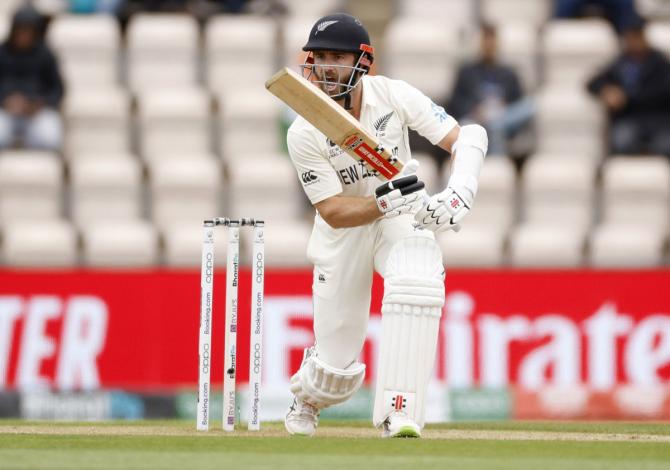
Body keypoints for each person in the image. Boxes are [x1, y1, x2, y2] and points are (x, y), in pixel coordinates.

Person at [283, 13, 488, 438]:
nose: (324, 66)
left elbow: (467, 136)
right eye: (318, 56)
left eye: (336, 56)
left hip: (398, 218)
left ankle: (400, 410)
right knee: (334, 368)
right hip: (345, 233)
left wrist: (458, 195)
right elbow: (332, 211)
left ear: (364, 62)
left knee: (418, 276)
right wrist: (381, 201)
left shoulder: (391, 95)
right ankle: (307, 395)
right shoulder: (304, 130)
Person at [587, 17, 670, 156]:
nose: (634, 41)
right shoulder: (621, 62)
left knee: (665, 145)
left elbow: (662, 91)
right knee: (622, 142)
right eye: (630, 36)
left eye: (637, 36)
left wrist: (626, 98)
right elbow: (593, 82)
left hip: (658, 119)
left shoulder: (660, 63)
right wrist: (606, 90)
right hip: (630, 120)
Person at [448, 23, 534, 156]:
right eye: (485, 40)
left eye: (492, 41)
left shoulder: (508, 73)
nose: (489, 45)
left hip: (503, 117)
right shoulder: (466, 72)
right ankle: (490, 161)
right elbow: (455, 102)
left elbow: (518, 100)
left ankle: (496, 163)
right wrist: (475, 110)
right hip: (476, 118)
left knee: (529, 106)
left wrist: (505, 105)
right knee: (470, 125)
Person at [0, 5, 64, 151]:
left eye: (28, 31)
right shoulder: (2, 53)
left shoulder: (46, 55)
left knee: (49, 138)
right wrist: (5, 101)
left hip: (37, 112)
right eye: (20, 30)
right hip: (5, 111)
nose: (24, 35)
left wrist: (39, 103)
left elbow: (57, 90)